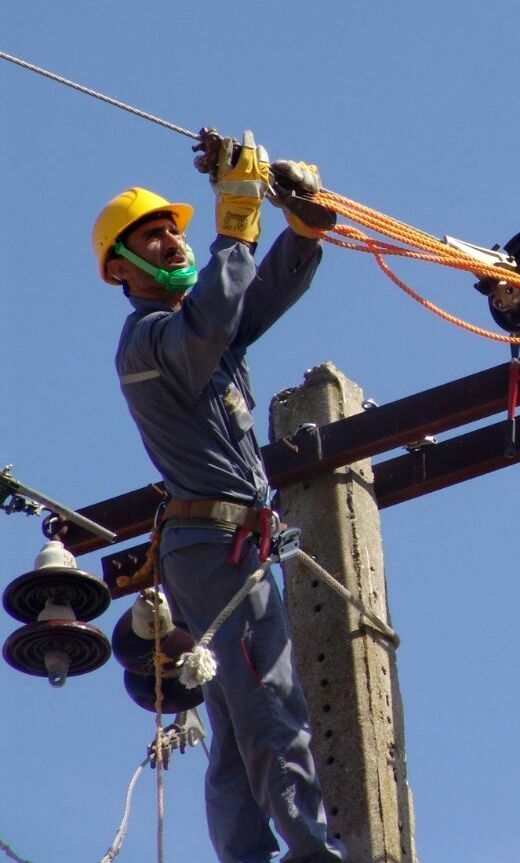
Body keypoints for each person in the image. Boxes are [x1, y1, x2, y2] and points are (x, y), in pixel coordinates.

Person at [92, 130, 346, 863]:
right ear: (120, 267)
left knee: (238, 728)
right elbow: (215, 315)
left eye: (176, 230)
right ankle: (313, 852)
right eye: (154, 236)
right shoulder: (150, 344)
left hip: (221, 549)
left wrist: (300, 224)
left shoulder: (197, 336)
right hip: (215, 548)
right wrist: (234, 219)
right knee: (269, 704)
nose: (174, 242)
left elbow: (254, 298)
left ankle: (249, 856)